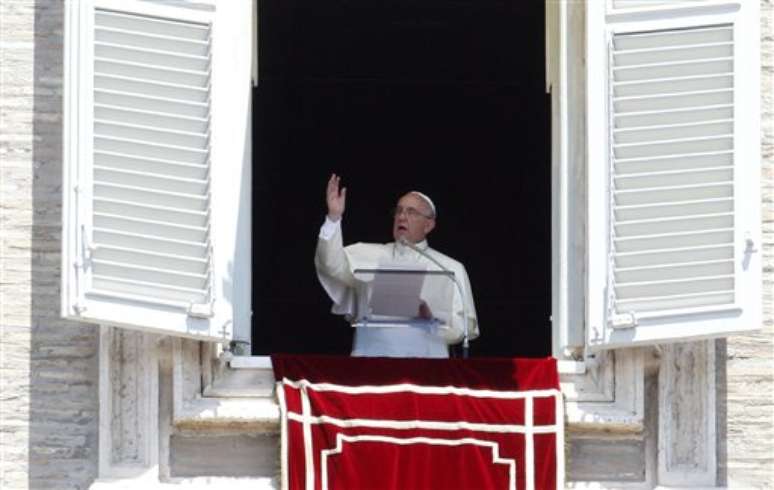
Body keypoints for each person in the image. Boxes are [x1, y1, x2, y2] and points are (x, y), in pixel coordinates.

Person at [315, 174, 479, 358]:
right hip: (371, 360)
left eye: (411, 212)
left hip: (427, 364)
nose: (402, 216)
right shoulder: (368, 255)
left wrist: (431, 321)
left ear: (429, 225)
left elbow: (463, 329)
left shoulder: (450, 268)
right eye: (399, 211)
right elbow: (331, 265)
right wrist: (334, 218)